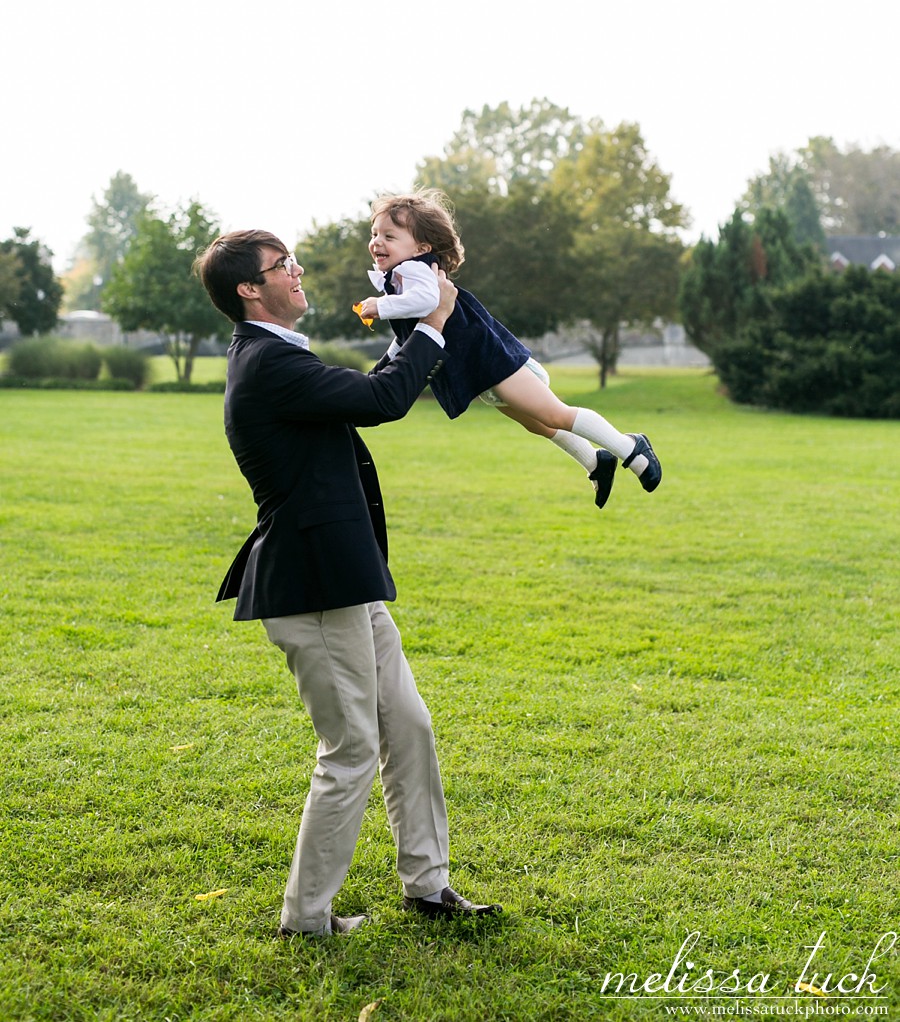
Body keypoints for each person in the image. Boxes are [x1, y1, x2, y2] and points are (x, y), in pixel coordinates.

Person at [194, 229, 501, 938]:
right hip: (314, 586)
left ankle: (428, 887)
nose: (297, 271)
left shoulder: (278, 357)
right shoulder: (266, 362)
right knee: (354, 747)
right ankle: (305, 918)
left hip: (345, 578)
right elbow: (386, 400)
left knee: (410, 727)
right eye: (282, 266)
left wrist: (413, 327)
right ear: (249, 289)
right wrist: (430, 322)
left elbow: (369, 390)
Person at [354, 189, 662, 509]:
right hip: (480, 370)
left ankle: (631, 448)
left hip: (491, 360)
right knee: (537, 423)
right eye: (374, 233)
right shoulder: (400, 280)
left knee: (554, 413)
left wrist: (382, 305)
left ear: (422, 247)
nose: (377, 242)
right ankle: (596, 461)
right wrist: (385, 363)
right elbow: (411, 332)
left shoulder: (418, 270)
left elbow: (429, 301)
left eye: (390, 235)